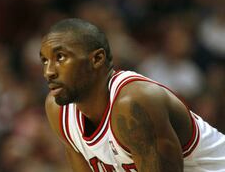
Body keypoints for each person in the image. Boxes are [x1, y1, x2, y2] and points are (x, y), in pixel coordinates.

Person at [39, 18, 225, 172]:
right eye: (44, 60)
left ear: (97, 59)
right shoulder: (58, 110)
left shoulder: (134, 103)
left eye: (60, 57)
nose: (48, 72)